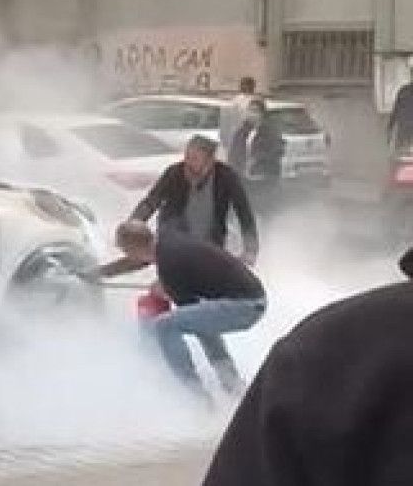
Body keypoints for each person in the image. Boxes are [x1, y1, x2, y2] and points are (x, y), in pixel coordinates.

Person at [202, 247, 413, 485]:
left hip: (245, 302)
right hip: (242, 301)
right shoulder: (324, 356)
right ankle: (213, 384)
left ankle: (198, 386)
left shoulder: (328, 355)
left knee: (168, 326)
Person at [94, 220, 266, 396]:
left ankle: (194, 394)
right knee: (196, 321)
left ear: (134, 248)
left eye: (127, 252)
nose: (128, 257)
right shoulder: (167, 243)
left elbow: (199, 323)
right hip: (252, 298)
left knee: (165, 325)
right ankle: (232, 385)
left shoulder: (168, 262)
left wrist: (167, 290)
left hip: (246, 306)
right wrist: (99, 273)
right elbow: (137, 263)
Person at [129, 134, 260, 263]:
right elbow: (151, 201)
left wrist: (250, 249)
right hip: (174, 243)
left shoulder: (226, 177)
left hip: (210, 246)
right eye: (186, 156)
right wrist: (132, 225)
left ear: (210, 161)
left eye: (194, 158)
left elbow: (244, 212)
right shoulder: (174, 173)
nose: (188, 163)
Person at [229, 97, 285, 215]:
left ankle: (267, 230)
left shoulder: (271, 131)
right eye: (250, 110)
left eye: (255, 111)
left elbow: (277, 150)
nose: (251, 114)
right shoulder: (242, 131)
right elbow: (234, 151)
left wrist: (258, 159)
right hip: (245, 178)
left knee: (264, 209)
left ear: (262, 114)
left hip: (264, 177)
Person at [221, 77, 257, 154]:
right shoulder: (237, 100)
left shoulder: (254, 100)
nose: (245, 87)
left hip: (240, 135)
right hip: (239, 135)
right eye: (243, 85)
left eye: (247, 85)